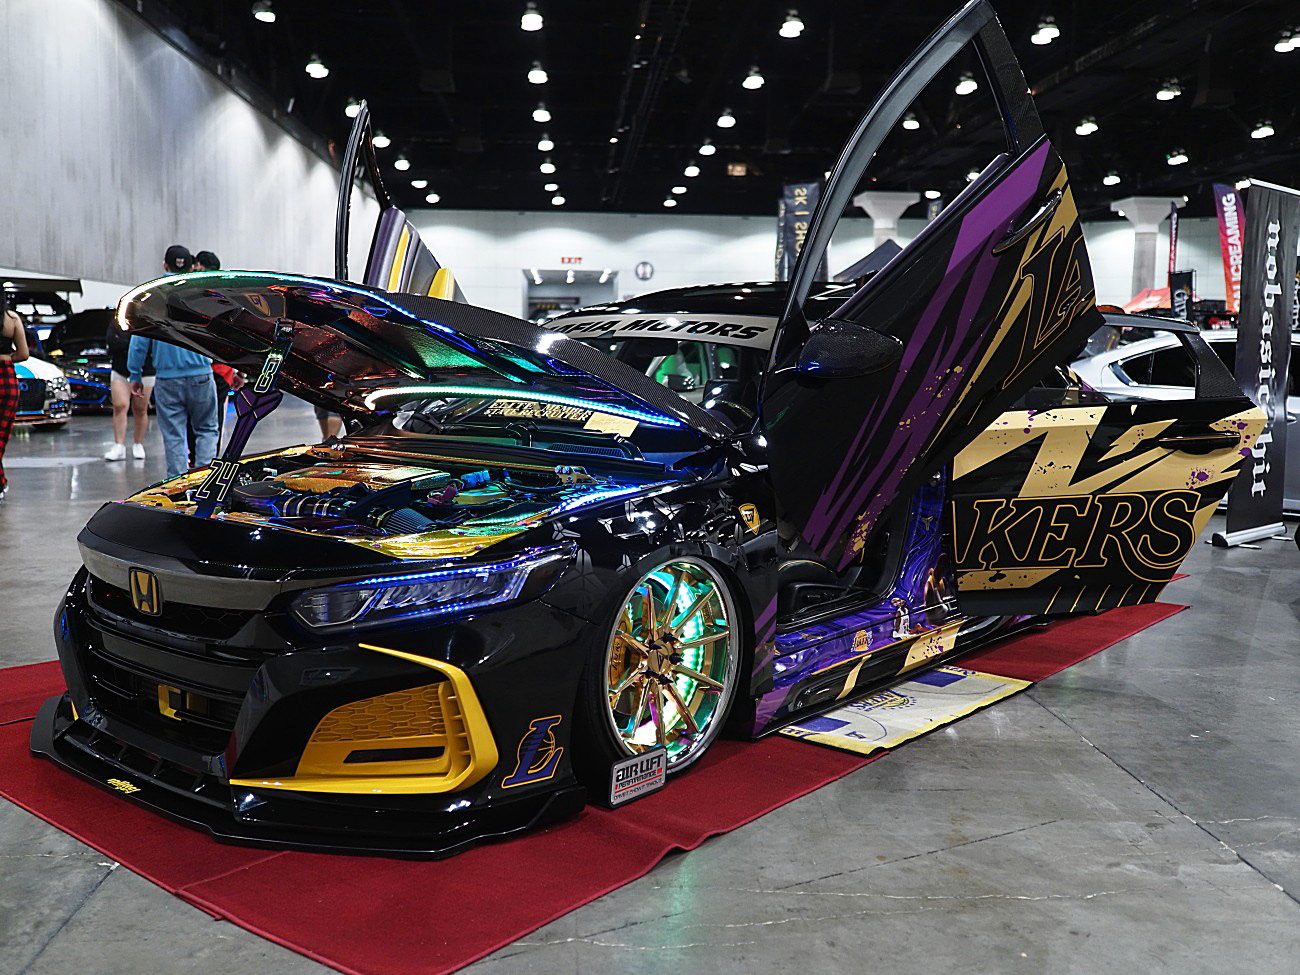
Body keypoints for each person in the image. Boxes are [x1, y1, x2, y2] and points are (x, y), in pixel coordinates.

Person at [128, 334, 218, 480]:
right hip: (201, 374)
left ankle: (178, 484)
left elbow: (139, 341)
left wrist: (135, 375)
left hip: (167, 379)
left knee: (173, 436)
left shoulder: (155, 317)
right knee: (206, 429)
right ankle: (204, 479)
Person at [103, 318, 154, 460]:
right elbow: (112, 342)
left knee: (140, 408)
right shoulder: (117, 321)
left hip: (146, 370)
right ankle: (119, 445)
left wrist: (129, 345)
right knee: (120, 405)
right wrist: (133, 346)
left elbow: (151, 346)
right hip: (121, 369)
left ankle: (138, 443)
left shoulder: (148, 322)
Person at [0, 290, 31, 505]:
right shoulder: (12, 320)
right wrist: (7, 356)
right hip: (7, 381)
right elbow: (24, 354)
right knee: (1, 436)